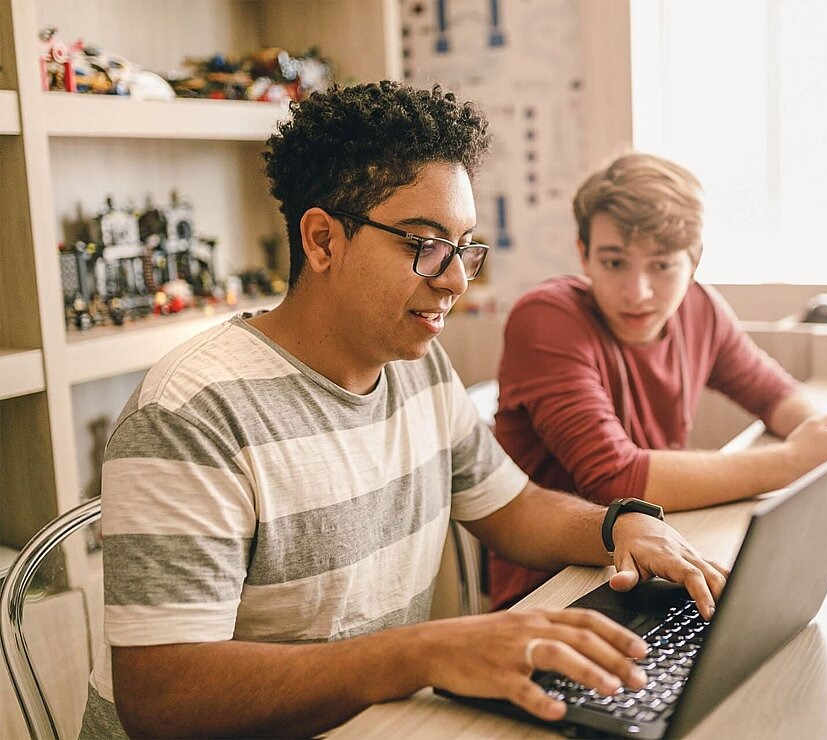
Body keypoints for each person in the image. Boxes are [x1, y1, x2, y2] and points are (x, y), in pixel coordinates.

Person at [80, 84, 727, 739]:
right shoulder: (192, 414)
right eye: (424, 244)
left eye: (464, 246)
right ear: (322, 241)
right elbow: (162, 699)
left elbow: (511, 508)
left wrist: (621, 526)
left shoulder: (415, 364)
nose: (456, 279)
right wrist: (423, 652)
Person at [488, 152, 827, 610]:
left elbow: (775, 395)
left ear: (695, 260)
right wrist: (795, 460)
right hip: (557, 591)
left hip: (660, 560)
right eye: (614, 263)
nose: (638, 292)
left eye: (662, 265)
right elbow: (616, 478)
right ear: (583, 255)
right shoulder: (547, 318)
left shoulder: (699, 308)